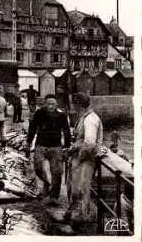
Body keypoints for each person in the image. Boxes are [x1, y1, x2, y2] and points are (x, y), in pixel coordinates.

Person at [63, 92, 104, 227]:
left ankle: (81, 218)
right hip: (79, 158)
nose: (72, 106)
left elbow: (90, 144)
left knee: (81, 188)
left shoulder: (90, 119)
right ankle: (75, 215)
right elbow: (82, 140)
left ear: (78, 104)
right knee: (76, 188)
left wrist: (79, 159)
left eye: (73, 103)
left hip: (85, 160)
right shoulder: (84, 117)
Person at [26, 94, 71, 206]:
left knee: (57, 172)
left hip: (56, 147)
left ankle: (54, 196)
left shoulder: (61, 115)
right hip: (40, 145)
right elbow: (32, 128)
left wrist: (66, 147)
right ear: (45, 104)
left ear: (56, 105)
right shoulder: (39, 113)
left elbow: (66, 132)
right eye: (48, 104)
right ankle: (46, 182)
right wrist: (28, 142)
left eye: (53, 104)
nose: (50, 106)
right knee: (38, 167)